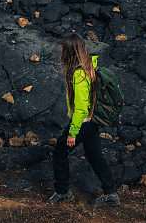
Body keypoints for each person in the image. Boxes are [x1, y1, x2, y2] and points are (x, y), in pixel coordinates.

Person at [47, 34, 119, 206]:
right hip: (92, 120)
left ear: (69, 52)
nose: (61, 52)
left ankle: (63, 192)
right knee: (95, 156)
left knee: (59, 153)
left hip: (84, 122)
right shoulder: (89, 66)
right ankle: (111, 194)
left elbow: (80, 108)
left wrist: (73, 132)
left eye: (64, 49)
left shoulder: (79, 74)